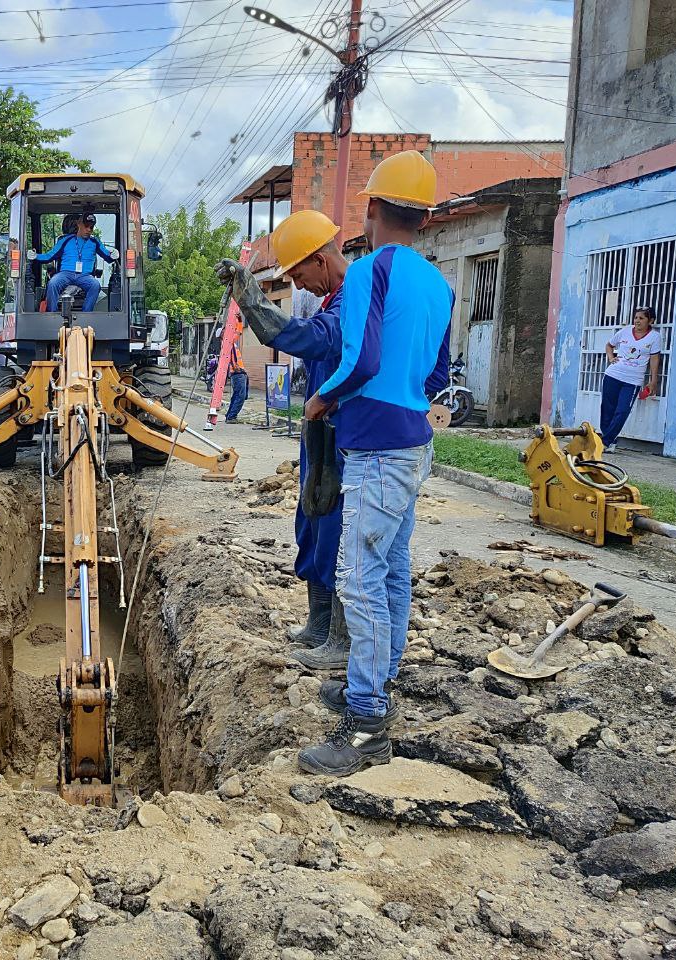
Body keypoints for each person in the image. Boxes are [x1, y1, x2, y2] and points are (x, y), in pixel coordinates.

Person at [291, 151, 453, 778]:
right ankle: (378, 681)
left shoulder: (367, 272)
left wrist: (323, 399)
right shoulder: (439, 283)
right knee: (392, 570)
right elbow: (436, 375)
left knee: (358, 578)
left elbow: (360, 360)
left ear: (374, 209)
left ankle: (365, 724)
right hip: (414, 442)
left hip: (377, 448)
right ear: (425, 218)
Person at [215, 210, 350, 664]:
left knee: (334, 527)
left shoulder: (351, 302)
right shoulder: (330, 300)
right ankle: (318, 623)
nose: (298, 285)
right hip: (318, 433)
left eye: (298, 274)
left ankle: (338, 638)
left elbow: (304, 338)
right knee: (311, 518)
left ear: (320, 259)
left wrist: (251, 297)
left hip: (342, 435)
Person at [599, 306, 662, 451]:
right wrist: (611, 357)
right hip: (613, 375)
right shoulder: (625, 331)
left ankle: (605, 442)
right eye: (636, 318)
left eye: (641, 318)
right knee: (607, 409)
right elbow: (609, 345)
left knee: (622, 411)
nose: (637, 321)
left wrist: (653, 381)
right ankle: (610, 441)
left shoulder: (654, 337)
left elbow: (654, 359)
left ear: (650, 321)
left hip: (632, 381)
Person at [32, 212, 117, 312]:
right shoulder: (65, 240)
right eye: (86, 226)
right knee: (53, 283)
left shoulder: (95, 242)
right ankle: (52, 314)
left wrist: (112, 255)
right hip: (66, 274)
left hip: (84, 276)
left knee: (95, 285)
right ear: (79, 224)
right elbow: (49, 256)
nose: (89, 230)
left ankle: (86, 314)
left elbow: (107, 256)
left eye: (91, 227)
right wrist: (36, 256)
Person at [224, 318, 250, 423]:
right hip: (237, 373)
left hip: (238, 373)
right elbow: (238, 332)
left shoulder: (229, 342)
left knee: (236, 395)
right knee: (240, 396)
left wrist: (239, 320)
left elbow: (238, 332)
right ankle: (231, 416)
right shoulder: (227, 343)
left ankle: (229, 415)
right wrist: (235, 366)